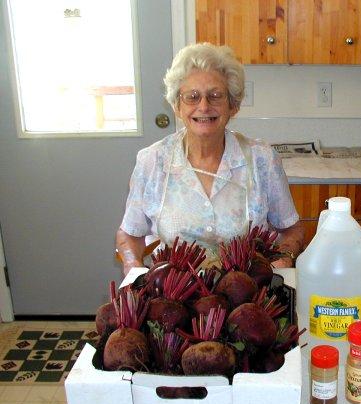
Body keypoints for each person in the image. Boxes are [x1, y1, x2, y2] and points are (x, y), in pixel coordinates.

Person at [116, 42, 304, 275]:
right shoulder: (152, 161)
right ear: (177, 106)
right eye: (192, 97)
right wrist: (132, 265)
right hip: (173, 297)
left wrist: (283, 260)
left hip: (245, 294)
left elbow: (292, 229)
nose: (204, 106)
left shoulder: (262, 160)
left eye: (215, 96)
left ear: (232, 105)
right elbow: (130, 234)